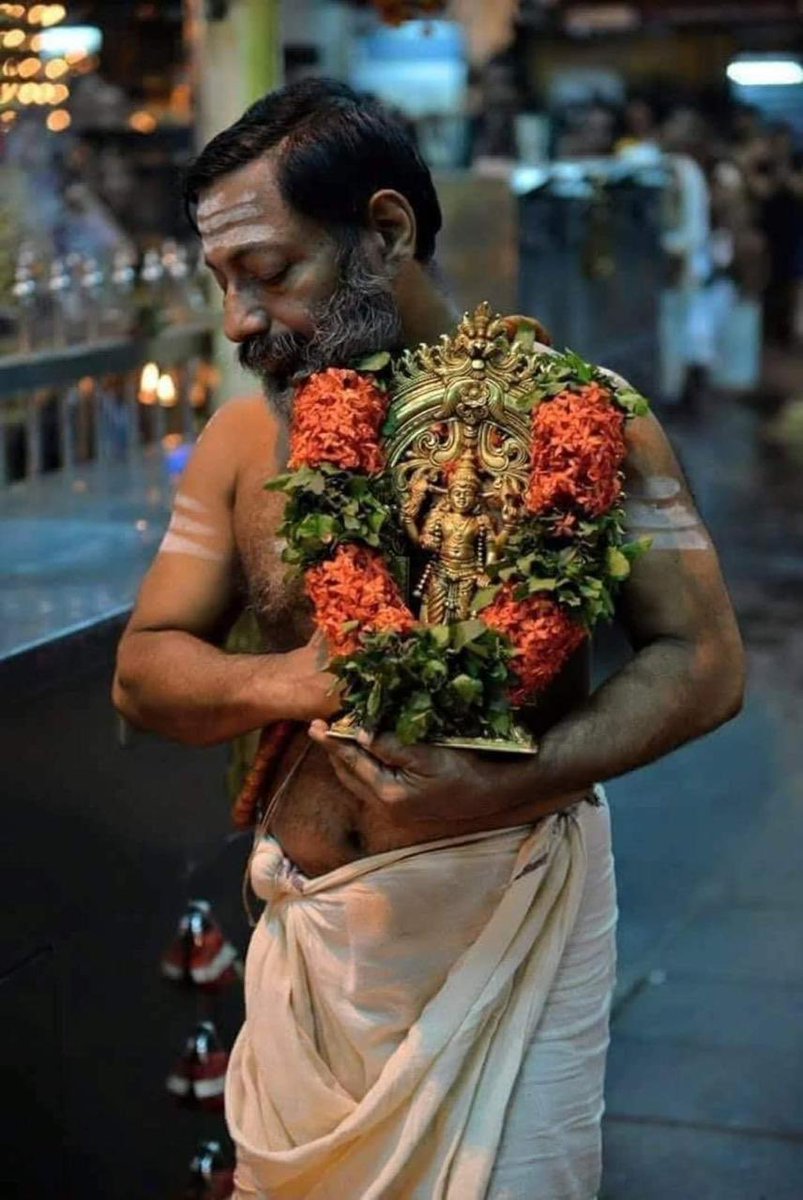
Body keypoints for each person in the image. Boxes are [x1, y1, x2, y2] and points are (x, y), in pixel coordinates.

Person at [112, 79, 744, 1200]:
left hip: (510, 930)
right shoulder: (243, 439)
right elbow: (145, 673)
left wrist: (509, 781)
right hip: (313, 948)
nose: (239, 321)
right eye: (222, 282)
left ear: (386, 232)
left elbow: (701, 664)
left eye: (267, 272)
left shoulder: (588, 414)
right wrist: (296, 676)